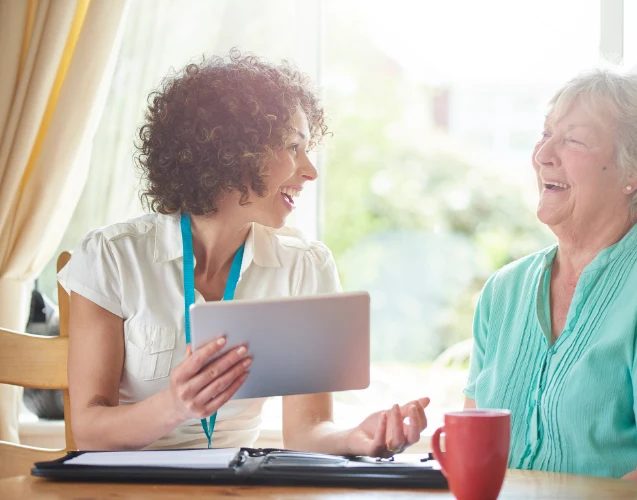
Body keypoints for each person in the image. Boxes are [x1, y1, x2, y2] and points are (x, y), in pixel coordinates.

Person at [59, 49, 428, 455]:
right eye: (292, 147)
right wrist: (174, 406)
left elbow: (309, 432)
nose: (310, 170)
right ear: (232, 153)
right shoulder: (111, 257)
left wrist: (356, 439)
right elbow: (89, 430)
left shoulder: (304, 266)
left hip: (238, 486)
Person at [463, 69, 637, 499]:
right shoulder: (503, 292)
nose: (543, 154)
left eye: (573, 140)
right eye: (545, 134)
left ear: (636, 169)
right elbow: (475, 459)